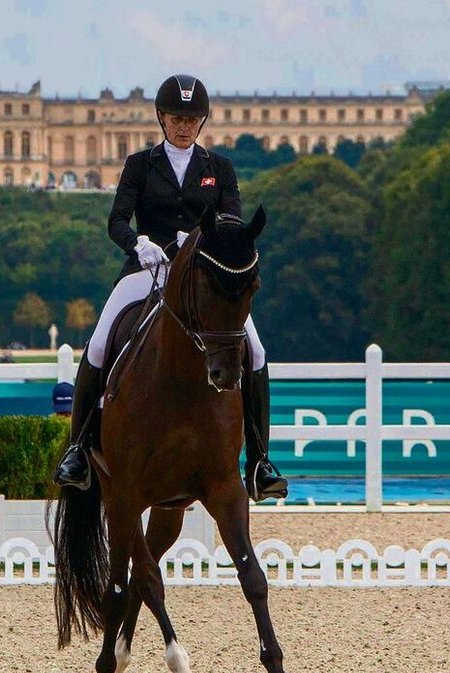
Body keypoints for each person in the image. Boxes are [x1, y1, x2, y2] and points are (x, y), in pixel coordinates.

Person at [52, 73, 287, 502]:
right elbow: (117, 220)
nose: (184, 126)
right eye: (177, 118)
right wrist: (137, 243)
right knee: (101, 342)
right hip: (147, 267)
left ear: (202, 121)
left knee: (255, 349)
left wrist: (198, 241)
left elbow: (233, 225)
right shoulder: (140, 165)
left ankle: (259, 460)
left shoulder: (220, 169)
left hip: (202, 276)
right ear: (161, 118)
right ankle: (79, 450)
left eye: (192, 119)